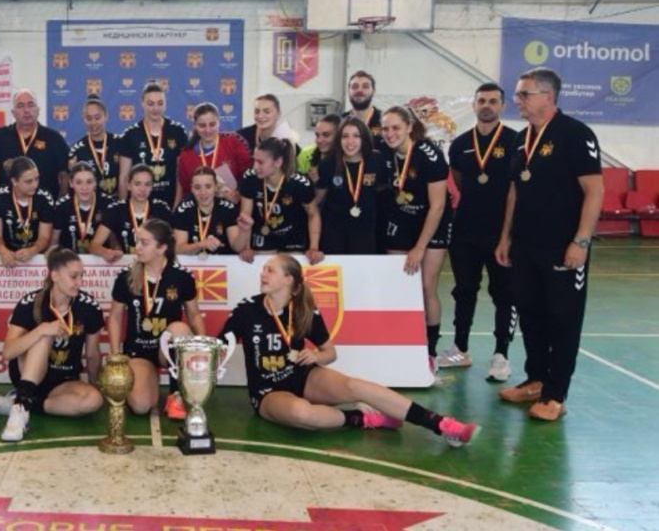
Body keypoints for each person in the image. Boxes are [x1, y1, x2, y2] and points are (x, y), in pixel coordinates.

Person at [220, 254, 479, 446]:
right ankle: (359, 418)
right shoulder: (246, 309)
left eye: (270, 270)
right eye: (264, 269)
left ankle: (441, 424)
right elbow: (221, 345)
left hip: (303, 376)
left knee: (357, 387)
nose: (263, 274)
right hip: (268, 391)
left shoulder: (303, 310)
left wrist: (315, 356)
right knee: (301, 413)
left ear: (289, 279)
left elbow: (330, 353)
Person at [495, 67, 603, 421]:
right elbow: (515, 190)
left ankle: (556, 395)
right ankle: (536, 380)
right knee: (530, 314)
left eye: (523, 94)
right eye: (518, 94)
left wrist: (581, 241)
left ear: (547, 96)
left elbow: (594, 191)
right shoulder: (520, 139)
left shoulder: (576, 134)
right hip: (525, 245)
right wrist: (506, 236)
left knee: (563, 318)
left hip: (563, 247)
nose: (517, 100)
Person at [442, 83, 519, 380]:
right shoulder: (460, 144)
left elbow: (515, 189)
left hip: (501, 232)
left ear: (502, 106)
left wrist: (507, 235)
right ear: (474, 105)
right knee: (464, 291)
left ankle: (501, 354)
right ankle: (460, 349)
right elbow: (461, 182)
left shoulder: (515, 141)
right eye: (482, 101)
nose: (487, 106)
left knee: (504, 293)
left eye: (493, 101)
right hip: (465, 232)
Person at [0, 249, 105, 442]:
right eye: (74, 276)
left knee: (93, 401)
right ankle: (20, 407)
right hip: (27, 373)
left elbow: (92, 354)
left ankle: (22, 404)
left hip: (64, 381)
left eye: (82, 276)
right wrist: (41, 330)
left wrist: (94, 385)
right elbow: (8, 352)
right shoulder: (30, 302)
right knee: (45, 334)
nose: (80, 282)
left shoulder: (89, 307)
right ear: (55, 275)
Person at [107, 220, 204, 419]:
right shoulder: (126, 276)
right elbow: (115, 317)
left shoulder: (181, 277)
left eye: (144, 243)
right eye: (137, 241)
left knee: (179, 329)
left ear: (162, 248)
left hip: (166, 348)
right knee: (141, 406)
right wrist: (117, 356)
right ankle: (148, 381)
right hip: (139, 351)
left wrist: (204, 346)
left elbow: (194, 315)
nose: (137, 247)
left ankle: (175, 395)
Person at [380, 106, 453, 369]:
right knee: (400, 287)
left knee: (425, 286)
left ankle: (430, 351)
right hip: (401, 221)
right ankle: (402, 345)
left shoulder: (429, 155)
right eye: (385, 129)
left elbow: (438, 206)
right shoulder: (383, 151)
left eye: (396, 128)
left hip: (432, 221)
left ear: (409, 127)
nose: (390, 134)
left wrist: (420, 247)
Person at [238, 138, 322, 264]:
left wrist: (314, 247)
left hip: (293, 236)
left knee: (289, 267)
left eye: (260, 162)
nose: (255, 167)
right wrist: (246, 247)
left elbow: (313, 214)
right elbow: (246, 216)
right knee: (261, 265)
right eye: (254, 160)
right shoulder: (250, 178)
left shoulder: (299, 183)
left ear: (278, 162)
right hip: (263, 234)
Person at [314, 117, 388, 255]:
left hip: (365, 230)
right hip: (334, 231)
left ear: (364, 138)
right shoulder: (328, 163)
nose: (350, 141)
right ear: (338, 139)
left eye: (356, 136)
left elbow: (381, 192)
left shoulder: (376, 160)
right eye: (345, 136)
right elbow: (317, 200)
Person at [117, 82, 190, 208]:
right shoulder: (130, 134)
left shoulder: (178, 131)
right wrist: (123, 209)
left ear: (165, 104)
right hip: (139, 205)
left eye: (160, 103)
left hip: (169, 202)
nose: (156, 108)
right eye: (150, 104)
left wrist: (177, 206)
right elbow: (124, 177)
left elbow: (180, 174)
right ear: (142, 104)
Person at [0, 89, 70, 197]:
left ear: (38, 110)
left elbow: (64, 175)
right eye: (20, 106)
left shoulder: (54, 138)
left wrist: (61, 201)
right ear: (13, 112)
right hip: (6, 204)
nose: (26, 110)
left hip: (45, 204)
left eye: (31, 105)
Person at [91, 164, 174, 261]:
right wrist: (106, 252)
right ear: (128, 185)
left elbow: (171, 243)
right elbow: (94, 245)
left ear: (152, 187)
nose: (142, 189)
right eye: (137, 184)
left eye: (147, 184)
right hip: (124, 264)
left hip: (152, 263)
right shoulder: (115, 209)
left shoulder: (161, 209)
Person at [176, 102, 251, 202]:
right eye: (202, 125)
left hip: (232, 206)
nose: (208, 130)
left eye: (212, 124)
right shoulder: (186, 155)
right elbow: (187, 190)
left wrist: (240, 193)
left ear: (219, 122)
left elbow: (248, 177)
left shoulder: (234, 143)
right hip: (200, 209)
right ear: (195, 126)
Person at [0, 157, 56, 268]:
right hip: (8, 253)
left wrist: (33, 250)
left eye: (37, 179)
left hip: (35, 256)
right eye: (28, 181)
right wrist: (2, 250)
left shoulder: (44, 197)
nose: (35, 185)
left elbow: (44, 237)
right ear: (14, 181)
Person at [173, 166, 248, 257]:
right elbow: (178, 249)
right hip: (192, 263)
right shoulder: (183, 209)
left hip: (222, 263)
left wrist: (244, 231)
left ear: (216, 187)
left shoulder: (227, 208)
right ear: (191, 188)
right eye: (197, 187)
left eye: (208, 187)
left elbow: (237, 247)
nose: (203, 192)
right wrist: (200, 245)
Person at [51, 162, 112, 254]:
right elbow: (54, 241)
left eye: (89, 182)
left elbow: (114, 240)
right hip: (70, 259)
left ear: (96, 183)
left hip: (100, 260)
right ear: (71, 183)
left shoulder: (107, 204)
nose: (84, 188)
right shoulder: (62, 206)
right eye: (79, 182)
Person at [68, 94, 123, 197]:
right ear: (83, 119)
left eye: (97, 118)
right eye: (89, 118)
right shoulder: (77, 150)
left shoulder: (120, 143)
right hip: (92, 203)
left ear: (106, 116)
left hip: (117, 201)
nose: (93, 123)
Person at [343, 71, 383, 142]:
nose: (359, 90)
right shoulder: (340, 121)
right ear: (348, 91)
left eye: (365, 87)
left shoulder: (384, 121)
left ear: (373, 91)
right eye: (354, 87)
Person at [297, 114, 339, 180]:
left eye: (326, 135)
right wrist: (308, 180)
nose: (319, 140)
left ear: (339, 136)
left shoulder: (347, 160)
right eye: (317, 135)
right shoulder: (306, 155)